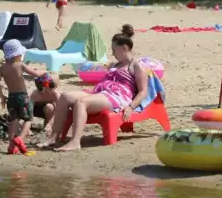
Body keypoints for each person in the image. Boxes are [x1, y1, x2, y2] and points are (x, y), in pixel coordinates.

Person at [37, 24, 148, 152]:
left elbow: (143, 91)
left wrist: (131, 106)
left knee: (81, 102)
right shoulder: (115, 64)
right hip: (103, 93)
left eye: (114, 49)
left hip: (117, 97)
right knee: (65, 97)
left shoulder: (137, 66)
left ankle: (75, 142)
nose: (112, 53)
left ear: (124, 48)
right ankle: (53, 137)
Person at [0, 39, 45, 150]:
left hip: (11, 98)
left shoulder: (2, 68)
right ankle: (20, 138)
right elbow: (35, 74)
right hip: (22, 97)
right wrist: (44, 72)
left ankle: (11, 145)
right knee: (28, 119)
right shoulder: (20, 65)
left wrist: (2, 96)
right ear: (17, 54)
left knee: (13, 120)